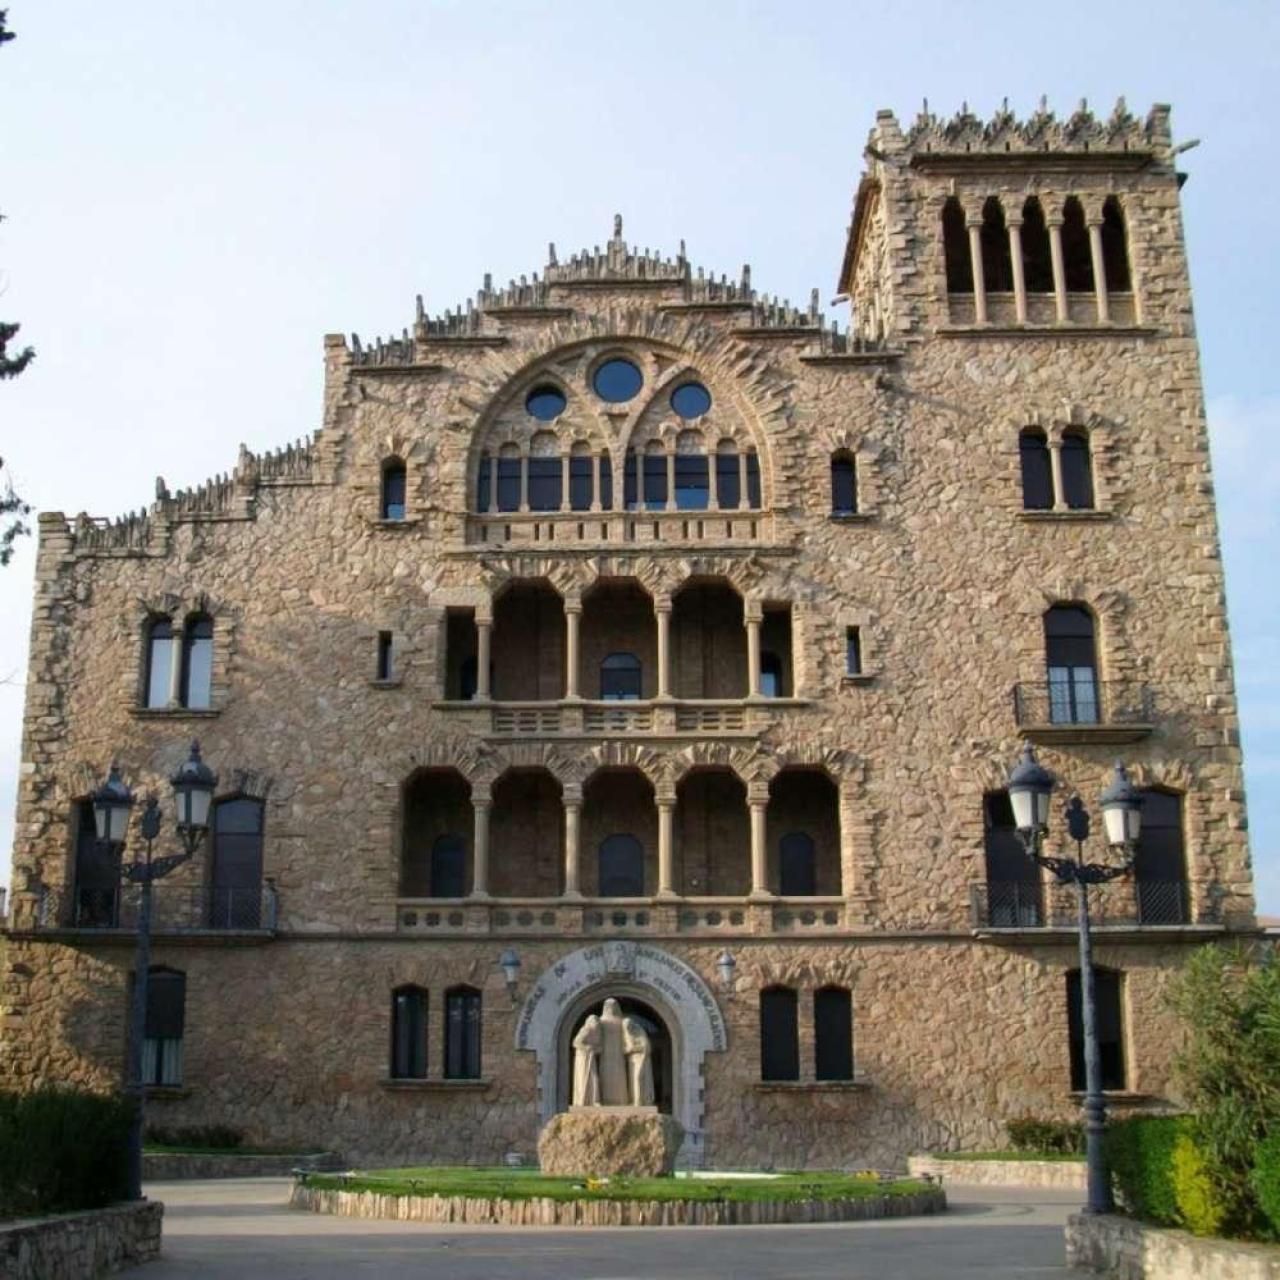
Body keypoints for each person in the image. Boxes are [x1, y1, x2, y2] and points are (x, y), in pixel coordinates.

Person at [622, 1015, 654, 1106]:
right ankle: (635, 1099)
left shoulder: (640, 1032)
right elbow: (625, 1048)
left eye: (629, 1027)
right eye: (626, 1028)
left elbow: (646, 1047)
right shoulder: (626, 1034)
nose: (628, 1030)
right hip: (632, 1060)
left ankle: (639, 1101)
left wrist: (633, 1048)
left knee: (638, 1078)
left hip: (641, 1059)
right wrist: (628, 1049)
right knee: (632, 1080)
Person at [571, 1014, 601, 1106]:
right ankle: (582, 1100)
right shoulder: (586, 1030)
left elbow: (600, 1047)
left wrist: (595, 1049)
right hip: (582, 1058)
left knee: (593, 1078)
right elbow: (576, 1042)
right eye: (594, 1022)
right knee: (583, 1078)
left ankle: (594, 1100)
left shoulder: (597, 1033)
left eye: (597, 1022)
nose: (596, 1024)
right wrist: (587, 1047)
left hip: (591, 1058)